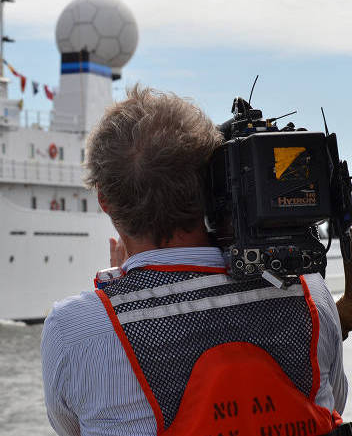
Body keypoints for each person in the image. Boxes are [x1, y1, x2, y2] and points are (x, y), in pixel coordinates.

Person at [41, 86, 348, 436]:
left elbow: (71, 427)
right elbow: (333, 404)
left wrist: (124, 291)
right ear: (212, 183)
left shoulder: (75, 329)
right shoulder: (310, 293)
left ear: (104, 200)